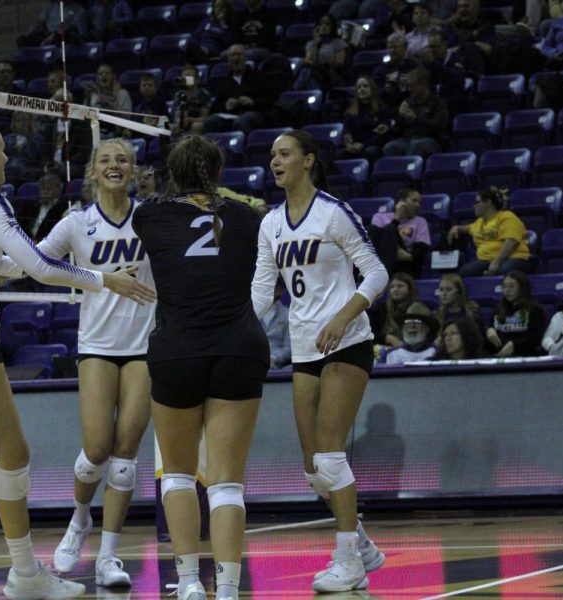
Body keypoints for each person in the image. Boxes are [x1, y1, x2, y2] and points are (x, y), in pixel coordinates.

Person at [0, 122, 154, 600]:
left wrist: (37, 268)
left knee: (14, 457)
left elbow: (13, 265)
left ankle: (26, 574)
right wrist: (105, 279)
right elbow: (43, 268)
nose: (8, 160)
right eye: (2, 152)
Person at [132, 134, 270, 600]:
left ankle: (190, 582)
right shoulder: (246, 216)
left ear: (172, 172)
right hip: (239, 346)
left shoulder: (148, 215)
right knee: (227, 481)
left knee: (177, 473)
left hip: (178, 349)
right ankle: (228, 589)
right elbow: (241, 209)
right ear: (218, 173)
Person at [251, 130, 389, 593]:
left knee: (330, 455)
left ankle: (348, 561)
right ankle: (364, 545)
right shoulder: (270, 223)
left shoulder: (332, 213)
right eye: (271, 155)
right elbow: (262, 293)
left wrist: (343, 315)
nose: (275, 160)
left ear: (308, 160)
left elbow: (377, 272)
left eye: (284, 153)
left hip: (347, 341)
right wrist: (228, 325)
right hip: (305, 348)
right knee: (313, 468)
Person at [40, 139, 155, 589]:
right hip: (97, 346)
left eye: (122, 159)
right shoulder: (76, 223)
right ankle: (80, 519)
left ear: (133, 170)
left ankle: (109, 555)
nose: (114, 165)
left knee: (125, 458)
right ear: (91, 172)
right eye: (105, 160)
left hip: (144, 345)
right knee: (96, 451)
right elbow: (37, 263)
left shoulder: (150, 218)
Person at [449, 187, 531, 277]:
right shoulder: (479, 222)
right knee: (466, 272)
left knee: (504, 271)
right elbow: (467, 228)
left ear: (488, 202)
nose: (474, 206)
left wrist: (496, 263)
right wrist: (457, 228)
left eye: (477, 202)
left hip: (514, 258)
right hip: (486, 261)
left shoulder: (507, 217)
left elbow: (512, 242)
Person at [382, 68, 448, 159]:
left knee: (416, 145)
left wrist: (415, 119)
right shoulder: (408, 102)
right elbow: (399, 129)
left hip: (432, 140)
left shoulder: (438, 102)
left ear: (423, 85)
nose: (409, 89)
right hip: (409, 139)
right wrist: (391, 125)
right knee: (390, 147)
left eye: (412, 86)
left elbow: (439, 127)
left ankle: (410, 172)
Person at [368, 188, 431, 279]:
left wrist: (410, 256)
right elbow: (376, 241)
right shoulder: (379, 217)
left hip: (404, 261)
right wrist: (397, 219)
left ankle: (377, 277)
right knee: (372, 229)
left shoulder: (420, 222)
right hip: (381, 258)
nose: (418, 205)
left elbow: (422, 248)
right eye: (414, 201)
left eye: (419, 202)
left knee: (389, 230)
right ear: (402, 202)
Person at [486, 270, 547, 357]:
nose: (507, 290)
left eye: (512, 286)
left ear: (522, 288)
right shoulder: (499, 309)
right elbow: (492, 328)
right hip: (497, 357)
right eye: (504, 286)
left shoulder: (535, 310)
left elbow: (535, 339)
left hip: (524, 357)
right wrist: (489, 330)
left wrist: (514, 345)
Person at [335, 76, 393, 165]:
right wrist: (349, 144)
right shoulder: (350, 112)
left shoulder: (382, 109)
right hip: (355, 146)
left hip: (373, 145)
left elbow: (381, 135)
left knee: (370, 152)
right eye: (359, 87)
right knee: (338, 154)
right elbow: (347, 131)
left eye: (365, 86)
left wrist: (363, 145)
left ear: (372, 89)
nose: (362, 89)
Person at [368, 272, 419, 347]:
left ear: (410, 289)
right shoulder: (380, 308)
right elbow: (370, 333)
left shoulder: (418, 308)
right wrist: (388, 338)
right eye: (392, 287)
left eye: (400, 286)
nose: (395, 289)